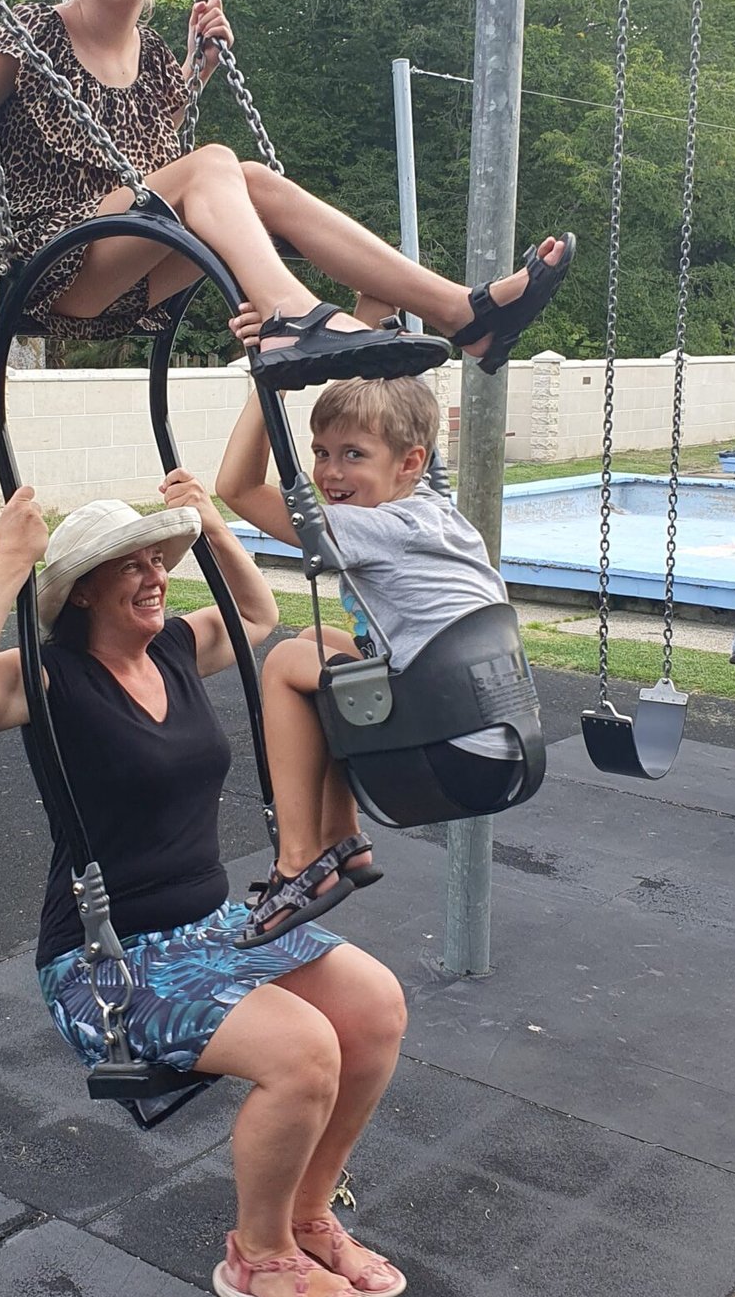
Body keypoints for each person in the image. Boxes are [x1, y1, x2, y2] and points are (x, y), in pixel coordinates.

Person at [0, 471, 411, 1297]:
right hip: (107, 961)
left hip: (210, 930)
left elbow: (256, 614)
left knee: (374, 1005)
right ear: (82, 591)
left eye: (160, 559)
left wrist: (213, 524)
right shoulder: (50, 678)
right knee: (303, 1051)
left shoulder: (178, 649)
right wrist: (9, 563)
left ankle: (308, 1216)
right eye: (133, 565)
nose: (156, 575)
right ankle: (258, 1255)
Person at [0, 0, 572, 389]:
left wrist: (195, 73)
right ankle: (291, 316)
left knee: (250, 177)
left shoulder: (156, 59)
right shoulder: (32, 32)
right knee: (215, 164)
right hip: (46, 269)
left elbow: (140, 158)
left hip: (126, 276)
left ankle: (464, 313)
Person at [217, 347, 537, 945]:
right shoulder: (436, 509)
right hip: (502, 745)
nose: (329, 473)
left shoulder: (375, 527)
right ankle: (344, 837)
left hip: (449, 755)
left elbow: (236, 488)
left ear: (410, 461)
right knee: (321, 642)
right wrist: (368, 327)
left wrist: (271, 382)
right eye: (321, 453)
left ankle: (298, 862)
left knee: (286, 662)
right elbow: (375, 365)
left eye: (353, 455)